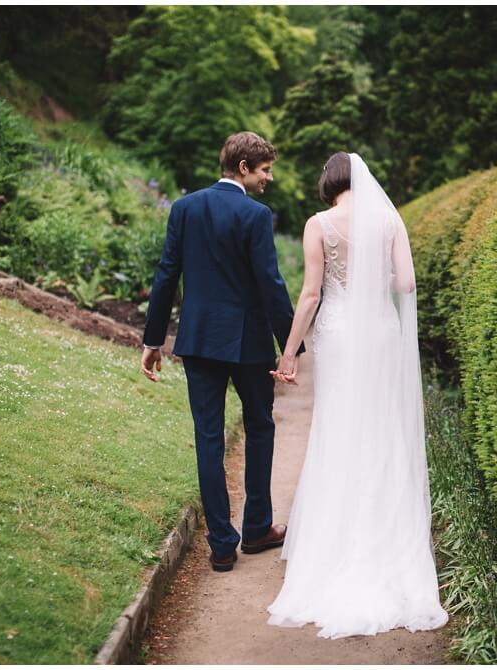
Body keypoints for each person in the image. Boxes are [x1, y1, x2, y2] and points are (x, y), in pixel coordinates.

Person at [266, 152, 449, 638]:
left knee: (340, 429)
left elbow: (310, 295)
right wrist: (376, 281)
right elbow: (406, 283)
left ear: (330, 183)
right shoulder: (391, 220)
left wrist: (289, 354)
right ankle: (388, 546)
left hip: (342, 333)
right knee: (381, 428)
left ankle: (336, 545)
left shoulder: (319, 223)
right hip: (382, 332)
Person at [140, 131, 304, 573]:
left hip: (199, 341)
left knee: (208, 439)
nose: (269, 178)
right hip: (248, 344)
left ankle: (221, 545)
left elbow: (166, 275)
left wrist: (153, 339)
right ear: (244, 168)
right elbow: (271, 285)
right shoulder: (254, 215)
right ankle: (256, 528)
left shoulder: (184, 208)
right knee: (260, 427)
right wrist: (291, 345)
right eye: (266, 169)